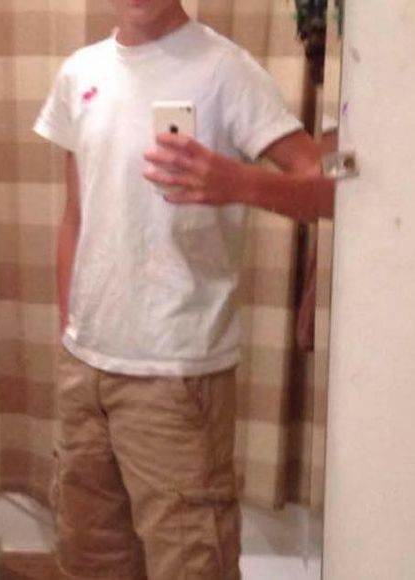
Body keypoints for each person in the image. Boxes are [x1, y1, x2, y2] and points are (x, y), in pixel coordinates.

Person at [33, 1, 334, 579]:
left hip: (176, 374)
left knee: (192, 564)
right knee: (89, 560)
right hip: (85, 368)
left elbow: (327, 190)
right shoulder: (80, 72)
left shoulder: (224, 69)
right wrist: (71, 329)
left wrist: (240, 183)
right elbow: (77, 213)